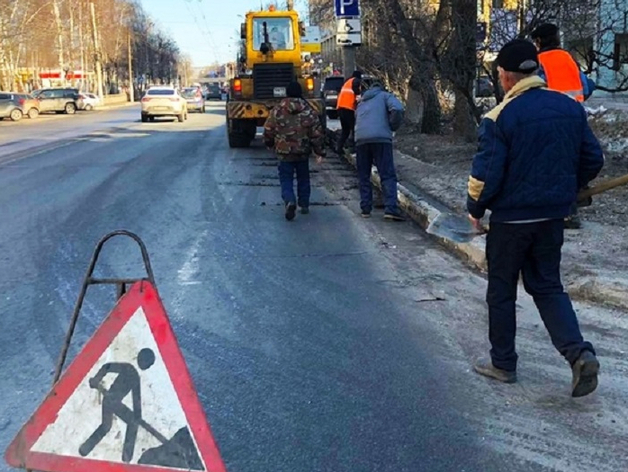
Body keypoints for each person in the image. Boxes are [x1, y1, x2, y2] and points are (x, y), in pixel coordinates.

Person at [467, 39, 604, 397]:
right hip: (552, 217)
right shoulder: (568, 108)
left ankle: (503, 364)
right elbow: (593, 159)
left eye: (499, 75)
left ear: (507, 77)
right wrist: (571, 188)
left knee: (500, 291)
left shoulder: (500, 117)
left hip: (511, 222)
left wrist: (474, 209)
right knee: (547, 286)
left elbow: (486, 174)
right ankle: (579, 354)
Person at [530, 22, 596, 229]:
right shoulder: (568, 59)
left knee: (550, 164)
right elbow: (586, 86)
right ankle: (575, 198)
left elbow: (533, 89)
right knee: (574, 160)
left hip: (549, 119)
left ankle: (561, 211)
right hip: (576, 118)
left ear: (539, 41)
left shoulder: (539, 62)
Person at [263, 81, 326, 221]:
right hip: (302, 152)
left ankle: (290, 200)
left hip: (284, 152)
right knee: (303, 177)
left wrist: (269, 143)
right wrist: (319, 152)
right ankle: (304, 204)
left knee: (286, 179)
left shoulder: (277, 110)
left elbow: (268, 129)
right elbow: (316, 133)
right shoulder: (308, 111)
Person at [354, 80, 405, 221]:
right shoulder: (385, 96)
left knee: (364, 175)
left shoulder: (362, 101)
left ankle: (365, 208)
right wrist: (392, 125)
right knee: (387, 174)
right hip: (381, 139)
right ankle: (391, 209)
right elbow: (398, 109)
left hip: (361, 140)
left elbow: (356, 118)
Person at [335, 70, 362, 156]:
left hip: (340, 108)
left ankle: (339, 147)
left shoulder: (347, 82)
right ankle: (353, 148)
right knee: (354, 128)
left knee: (345, 130)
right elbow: (357, 93)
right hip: (348, 108)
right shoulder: (356, 81)